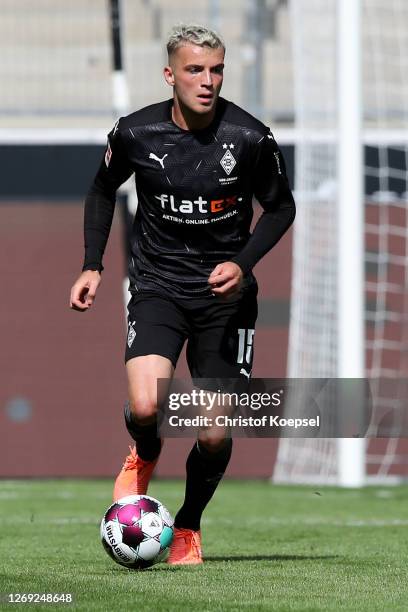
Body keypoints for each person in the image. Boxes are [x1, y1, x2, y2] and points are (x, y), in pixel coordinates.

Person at [70, 23, 295, 565]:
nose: (208, 80)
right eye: (195, 70)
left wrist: (242, 264)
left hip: (226, 299)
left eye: (216, 70)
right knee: (148, 406)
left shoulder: (250, 138)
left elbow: (281, 207)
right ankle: (144, 453)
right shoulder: (136, 133)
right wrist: (92, 265)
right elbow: (103, 189)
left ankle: (188, 526)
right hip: (158, 287)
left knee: (215, 433)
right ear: (171, 75)